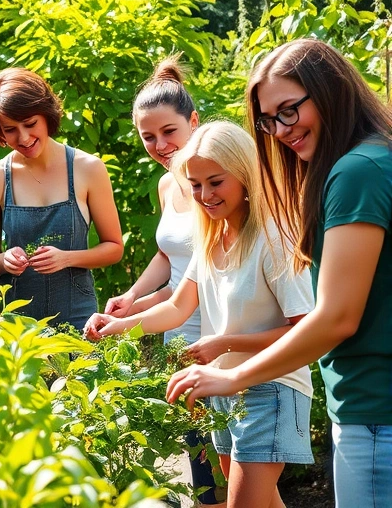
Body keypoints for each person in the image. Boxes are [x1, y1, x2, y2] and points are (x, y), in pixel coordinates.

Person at [166, 39, 392, 507]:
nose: (281, 130)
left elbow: (335, 317)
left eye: (289, 110)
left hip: (376, 411)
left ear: (330, 90)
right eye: (269, 121)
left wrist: (233, 375)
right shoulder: (372, 160)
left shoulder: (357, 172)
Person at [87, 122, 314, 508]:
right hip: (223, 390)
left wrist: (223, 343)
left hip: (272, 390)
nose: (205, 195)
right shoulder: (213, 235)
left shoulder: (274, 237)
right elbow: (178, 306)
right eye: (195, 185)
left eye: (215, 182)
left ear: (244, 176)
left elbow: (306, 330)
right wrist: (118, 326)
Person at [101, 58, 223, 506]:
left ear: (193, 121)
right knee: (203, 467)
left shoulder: (214, 184)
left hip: (220, 337)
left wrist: (139, 311)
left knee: (228, 477)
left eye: (169, 132)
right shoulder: (166, 185)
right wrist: (131, 296)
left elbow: (201, 272)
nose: (159, 144)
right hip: (179, 336)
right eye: (147, 136)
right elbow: (169, 256)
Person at [0, 67, 123, 329]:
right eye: (10, 129)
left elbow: (114, 247)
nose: (23, 137)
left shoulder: (88, 168)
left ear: (46, 115)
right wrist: (5, 259)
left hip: (78, 315)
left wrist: (67, 258)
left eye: (30, 124)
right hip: (16, 322)